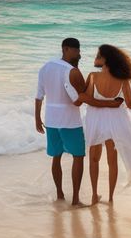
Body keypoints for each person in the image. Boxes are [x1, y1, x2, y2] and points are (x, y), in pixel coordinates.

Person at [35, 38, 123, 206]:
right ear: (66, 49)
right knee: (78, 156)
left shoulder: (46, 67)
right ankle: (75, 199)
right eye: (76, 51)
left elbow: (39, 95)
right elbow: (81, 99)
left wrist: (37, 118)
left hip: (52, 120)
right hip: (70, 121)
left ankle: (60, 195)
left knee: (56, 157)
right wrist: (110, 103)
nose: (79, 54)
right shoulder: (72, 71)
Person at [79, 44, 131, 204]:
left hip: (95, 119)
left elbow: (87, 98)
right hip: (116, 120)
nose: (95, 58)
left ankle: (94, 195)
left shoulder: (92, 76)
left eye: (98, 55)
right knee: (112, 161)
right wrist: (115, 102)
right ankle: (111, 198)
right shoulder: (123, 79)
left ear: (106, 59)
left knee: (94, 158)